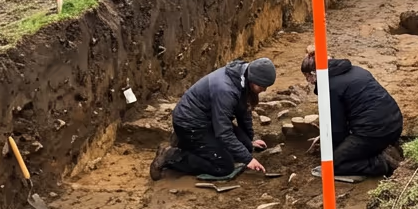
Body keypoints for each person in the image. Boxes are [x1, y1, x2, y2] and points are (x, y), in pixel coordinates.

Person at [149, 57, 277, 179]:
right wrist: (248, 159)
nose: (264, 89)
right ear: (252, 79)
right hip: (190, 124)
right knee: (223, 166)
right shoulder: (226, 90)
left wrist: (249, 141)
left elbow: (244, 113)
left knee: (246, 148)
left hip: (210, 119)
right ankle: (171, 155)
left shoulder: (243, 77)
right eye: (261, 86)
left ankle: (186, 142)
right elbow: (224, 131)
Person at [301, 48, 403, 178]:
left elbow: (337, 128)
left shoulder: (330, 87)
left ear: (314, 73)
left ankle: (379, 164)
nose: (308, 81)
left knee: (332, 166)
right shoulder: (356, 70)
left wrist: (334, 151)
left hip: (374, 133)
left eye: (308, 77)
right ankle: (376, 150)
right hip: (394, 124)